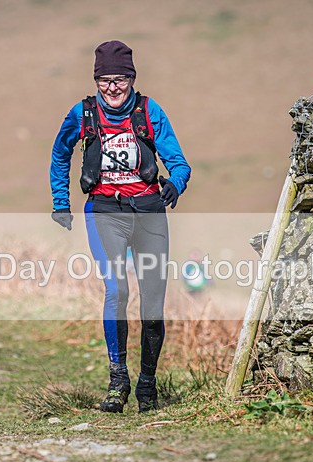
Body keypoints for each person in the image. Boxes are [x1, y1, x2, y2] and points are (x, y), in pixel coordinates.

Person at [49, 41, 191, 413]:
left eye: (121, 79)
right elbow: (60, 152)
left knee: (153, 302)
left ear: (132, 79)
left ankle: (147, 384)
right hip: (104, 211)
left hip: (148, 211)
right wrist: (60, 202)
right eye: (106, 80)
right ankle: (117, 382)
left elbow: (179, 161)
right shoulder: (83, 114)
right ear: (96, 81)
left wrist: (175, 181)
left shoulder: (149, 111)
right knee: (117, 290)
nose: (113, 87)